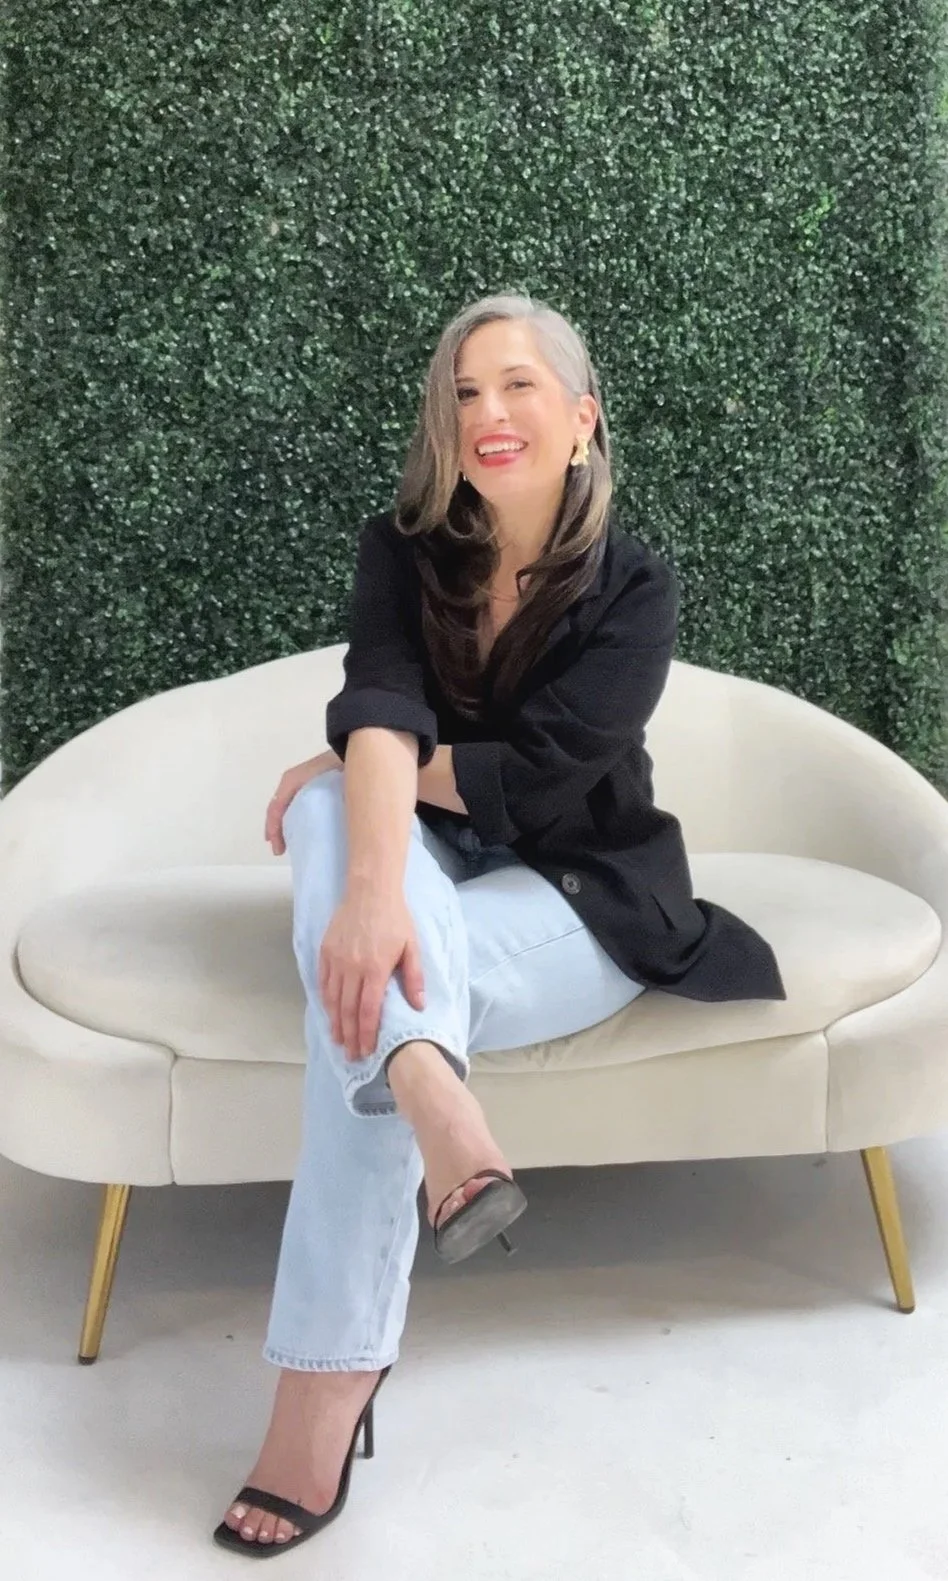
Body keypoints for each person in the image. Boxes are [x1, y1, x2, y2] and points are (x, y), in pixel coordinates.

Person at [214, 292, 786, 1558]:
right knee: (341, 851)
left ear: (581, 418)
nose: (488, 412)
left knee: (351, 916)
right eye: (466, 393)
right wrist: (371, 870)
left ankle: (323, 1389)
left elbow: (531, 778)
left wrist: (367, 758)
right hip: (428, 879)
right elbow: (379, 694)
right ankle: (430, 1089)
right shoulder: (402, 549)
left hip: (583, 895)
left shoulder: (635, 587)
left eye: (518, 385)